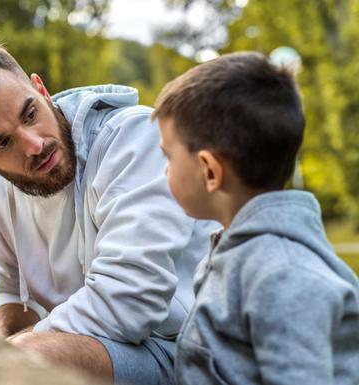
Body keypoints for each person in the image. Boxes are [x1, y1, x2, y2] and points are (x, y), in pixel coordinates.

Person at [0, 41, 216, 385]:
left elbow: (130, 302)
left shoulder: (133, 140)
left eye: (30, 114)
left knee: (25, 360)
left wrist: (18, 348)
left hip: (189, 354)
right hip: (105, 347)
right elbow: (8, 292)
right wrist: (8, 334)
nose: (34, 145)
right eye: (3, 144)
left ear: (41, 90)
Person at [153, 51, 359, 385]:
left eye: (168, 156)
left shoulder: (283, 275)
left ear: (209, 170)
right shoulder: (239, 252)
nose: (164, 170)